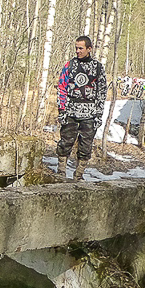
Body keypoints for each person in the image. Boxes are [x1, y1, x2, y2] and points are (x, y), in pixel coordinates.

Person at [54, 35, 107, 180]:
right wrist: (62, 110)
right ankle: (61, 172)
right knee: (65, 143)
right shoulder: (69, 65)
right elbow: (62, 88)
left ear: (89, 49)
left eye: (81, 48)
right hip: (70, 111)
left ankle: (78, 175)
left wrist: (98, 114)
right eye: (76, 48)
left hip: (89, 114)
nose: (77, 51)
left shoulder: (97, 68)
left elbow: (102, 92)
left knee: (85, 147)